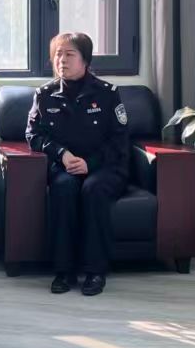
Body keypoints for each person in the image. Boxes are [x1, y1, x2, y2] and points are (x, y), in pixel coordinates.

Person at [26, 31, 130, 297]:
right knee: (63, 188)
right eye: (58, 54)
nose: (62, 60)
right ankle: (64, 271)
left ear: (85, 60)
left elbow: (119, 141)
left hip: (105, 167)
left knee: (93, 190)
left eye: (69, 54)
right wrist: (61, 154)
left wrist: (90, 163)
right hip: (65, 166)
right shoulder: (45, 95)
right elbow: (33, 135)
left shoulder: (107, 94)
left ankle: (96, 271)